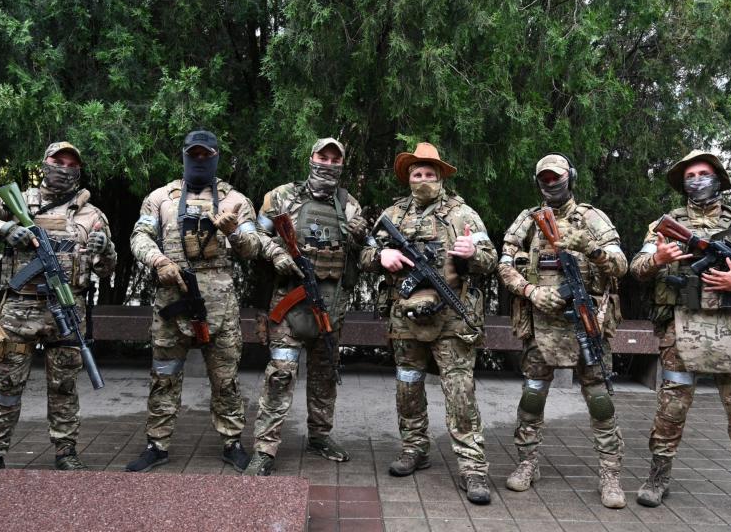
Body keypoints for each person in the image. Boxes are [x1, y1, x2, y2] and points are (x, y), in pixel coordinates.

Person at [630, 150, 731, 524]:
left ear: (719, 178)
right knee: (672, 407)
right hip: (682, 330)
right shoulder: (664, 226)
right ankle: (657, 478)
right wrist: (659, 259)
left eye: (703, 173)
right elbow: (637, 268)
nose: (696, 179)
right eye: (690, 175)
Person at [0, 142, 116, 470]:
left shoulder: (92, 215)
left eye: (71, 163)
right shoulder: (17, 202)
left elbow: (106, 269)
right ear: (45, 163)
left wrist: (106, 248)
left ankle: (66, 452)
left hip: (67, 310)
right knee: (7, 383)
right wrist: (5, 228)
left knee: (64, 387)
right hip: (19, 309)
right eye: (58, 160)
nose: (64, 167)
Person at [359, 142, 495, 505]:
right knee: (408, 384)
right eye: (416, 174)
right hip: (405, 316)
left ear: (441, 177)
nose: (422, 179)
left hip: (452, 317)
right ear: (408, 178)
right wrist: (382, 254)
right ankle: (414, 447)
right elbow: (365, 253)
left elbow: (490, 258)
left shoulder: (464, 214)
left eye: (429, 174)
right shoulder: (392, 214)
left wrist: (472, 254)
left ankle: (472, 466)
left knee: (459, 390)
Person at [125, 130, 261, 473]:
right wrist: (159, 261)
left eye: (206, 155)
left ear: (216, 156)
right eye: (194, 155)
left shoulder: (235, 200)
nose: (200, 161)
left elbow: (253, 248)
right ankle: (157, 444)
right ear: (185, 155)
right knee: (164, 375)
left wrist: (233, 232)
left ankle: (232, 442)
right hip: (172, 299)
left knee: (225, 377)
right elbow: (139, 236)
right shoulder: (160, 198)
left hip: (220, 307)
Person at [497, 153, 627, 508]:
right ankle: (527, 463)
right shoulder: (528, 220)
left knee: (600, 400)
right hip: (541, 324)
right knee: (533, 395)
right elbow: (505, 264)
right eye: (545, 177)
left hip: (586, 321)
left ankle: (611, 474)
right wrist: (531, 291)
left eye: (557, 176)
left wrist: (592, 249)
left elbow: (621, 265)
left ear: (570, 176)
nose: (551, 182)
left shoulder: (592, 218)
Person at [243, 138, 368, 476]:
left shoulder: (349, 204)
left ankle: (320, 436)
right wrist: (278, 254)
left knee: (325, 376)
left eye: (334, 159)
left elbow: (368, 253)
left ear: (341, 165)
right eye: (321, 157)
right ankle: (265, 449)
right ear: (311, 158)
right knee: (281, 374)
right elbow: (254, 235)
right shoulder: (282, 196)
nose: (327, 164)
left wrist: (359, 237)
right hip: (289, 305)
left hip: (330, 307)